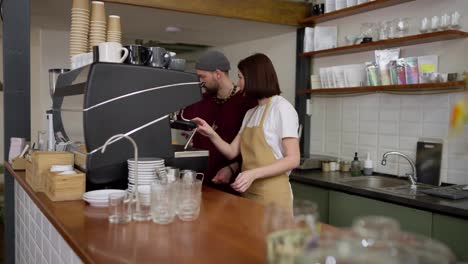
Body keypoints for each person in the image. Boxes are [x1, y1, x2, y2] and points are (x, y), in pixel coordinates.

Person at [193, 53, 300, 211]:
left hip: (273, 196)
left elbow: (293, 159)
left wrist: (253, 173)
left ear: (254, 78)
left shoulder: (281, 108)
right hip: (248, 193)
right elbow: (231, 152)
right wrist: (211, 134)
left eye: (240, 77)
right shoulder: (251, 113)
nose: (238, 83)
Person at [178, 50, 256, 193]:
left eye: (203, 76)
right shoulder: (199, 101)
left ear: (218, 74)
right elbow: (181, 122)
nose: (200, 81)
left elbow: (252, 148)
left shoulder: (245, 103)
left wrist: (232, 168)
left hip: (231, 184)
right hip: (199, 181)